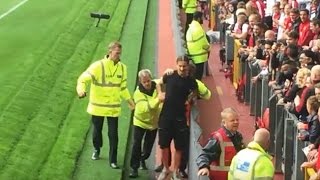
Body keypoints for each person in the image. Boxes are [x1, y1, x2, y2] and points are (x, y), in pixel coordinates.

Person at [76, 41, 135, 169]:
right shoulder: (98, 66)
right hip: (98, 107)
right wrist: (81, 90)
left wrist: (129, 101)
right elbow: (82, 79)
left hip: (113, 108)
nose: (118, 56)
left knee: (113, 134)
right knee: (97, 132)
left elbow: (122, 88)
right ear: (110, 52)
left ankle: (113, 159)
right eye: (117, 53)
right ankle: (97, 149)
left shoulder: (123, 68)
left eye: (120, 53)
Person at [156, 56, 198, 180]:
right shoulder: (169, 75)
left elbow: (195, 92)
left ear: (188, 66)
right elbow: (159, 83)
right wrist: (159, 93)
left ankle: (175, 171)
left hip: (180, 118)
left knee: (179, 147)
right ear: (176, 65)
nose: (181, 68)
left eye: (184, 66)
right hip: (165, 116)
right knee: (164, 145)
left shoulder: (191, 81)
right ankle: (165, 169)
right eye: (179, 65)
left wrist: (190, 99)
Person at [129, 69, 162, 178]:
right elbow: (148, 107)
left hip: (153, 124)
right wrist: (159, 98)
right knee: (136, 144)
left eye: (148, 81)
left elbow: (163, 80)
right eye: (144, 82)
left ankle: (143, 158)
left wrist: (169, 72)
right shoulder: (138, 94)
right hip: (140, 122)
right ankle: (134, 168)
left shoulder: (156, 85)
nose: (147, 83)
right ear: (140, 82)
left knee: (148, 148)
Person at [196, 107, 245, 180]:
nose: (236, 122)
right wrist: (204, 167)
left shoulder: (238, 137)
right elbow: (205, 154)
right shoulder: (217, 138)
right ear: (224, 123)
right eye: (232, 120)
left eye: (237, 120)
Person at [186, 11, 210, 80]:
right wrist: (209, 48)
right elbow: (205, 43)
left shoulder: (191, 27)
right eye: (202, 18)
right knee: (198, 77)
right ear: (199, 18)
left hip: (192, 55)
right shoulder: (199, 29)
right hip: (199, 57)